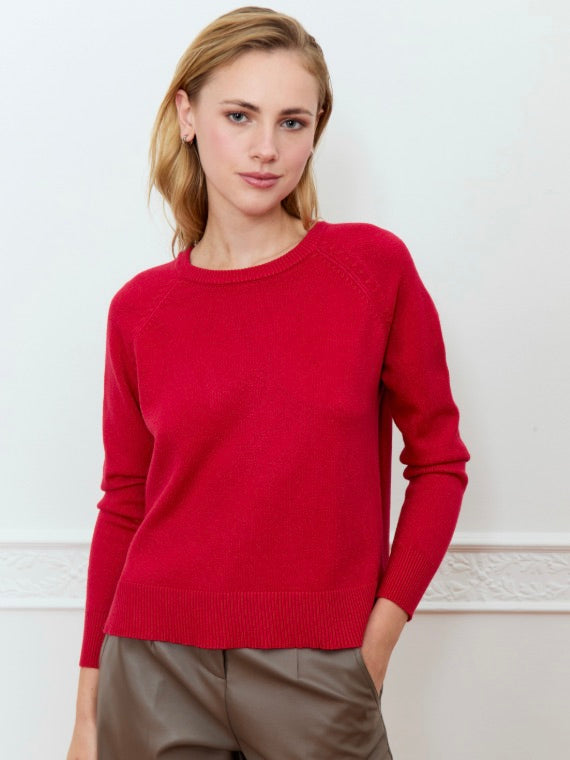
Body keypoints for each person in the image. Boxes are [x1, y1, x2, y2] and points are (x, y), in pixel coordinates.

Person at [66, 6, 470, 759]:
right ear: (187, 116)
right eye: (239, 115)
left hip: (321, 664)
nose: (266, 148)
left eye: (292, 122)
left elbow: (440, 463)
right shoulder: (140, 310)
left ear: (316, 132)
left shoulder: (370, 271)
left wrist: (374, 643)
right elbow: (124, 502)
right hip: (151, 664)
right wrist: (88, 714)